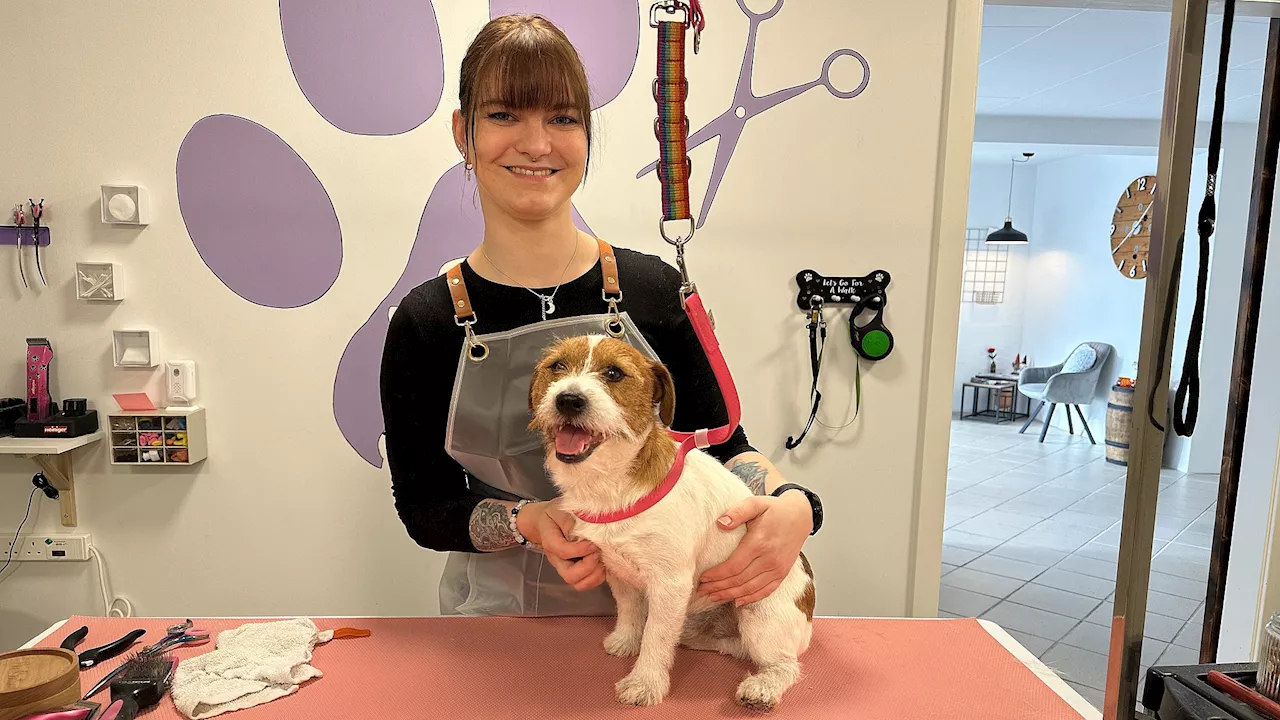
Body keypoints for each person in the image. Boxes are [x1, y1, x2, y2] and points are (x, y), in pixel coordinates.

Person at [380, 14, 823, 617]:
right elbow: (426, 510)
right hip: (494, 623)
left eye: (562, 118)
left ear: (586, 135)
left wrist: (790, 502)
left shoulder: (654, 290)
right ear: (464, 132)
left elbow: (724, 450)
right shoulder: (426, 322)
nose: (537, 145)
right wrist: (526, 519)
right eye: (504, 114)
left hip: (671, 618)